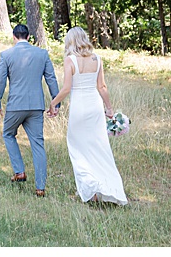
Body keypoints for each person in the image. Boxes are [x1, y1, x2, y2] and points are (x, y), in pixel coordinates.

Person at [47, 27, 128, 205]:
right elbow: (102, 87)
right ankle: (109, 188)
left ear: (70, 41)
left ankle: (90, 188)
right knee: (100, 147)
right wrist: (109, 109)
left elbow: (67, 88)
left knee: (77, 148)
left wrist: (53, 103)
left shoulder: (70, 60)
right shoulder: (97, 59)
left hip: (79, 108)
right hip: (95, 107)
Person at [0, 24, 59, 198]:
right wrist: (55, 103)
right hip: (36, 106)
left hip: (16, 105)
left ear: (14, 37)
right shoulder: (42, 54)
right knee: (38, 144)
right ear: (29, 37)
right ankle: (40, 188)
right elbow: (51, 78)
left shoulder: (6, 55)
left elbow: (0, 81)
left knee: (8, 134)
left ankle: (19, 171)